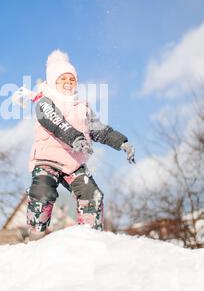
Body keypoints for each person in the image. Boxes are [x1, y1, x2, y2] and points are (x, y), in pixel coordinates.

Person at [25, 49, 135, 240]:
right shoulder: (45, 101)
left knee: (92, 195)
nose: (68, 83)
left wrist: (122, 142)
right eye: (63, 79)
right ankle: (36, 233)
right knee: (43, 192)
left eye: (72, 79)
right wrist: (76, 138)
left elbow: (100, 130)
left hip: (73, 163)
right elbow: (55, 122)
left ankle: (90, 238)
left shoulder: (82, 106)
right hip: (47, 160)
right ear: (53, 82)